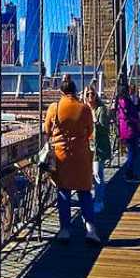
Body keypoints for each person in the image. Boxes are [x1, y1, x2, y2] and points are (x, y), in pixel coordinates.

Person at [44, 75, 101, 244]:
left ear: (61, 91)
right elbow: (90, 132)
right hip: (82, 157)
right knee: (85, 193)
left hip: (62, 157)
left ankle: (65, 230)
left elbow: (46, 129)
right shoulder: (84, 109)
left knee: (64, 193)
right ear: (75, 91)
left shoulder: (54, 107)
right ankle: (90, 230)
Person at [85, 87, 112, 214]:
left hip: (98, 147)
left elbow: (105, 129)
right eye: (87, 94)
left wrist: (94, 120)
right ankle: (93, 198)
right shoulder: (84, 109)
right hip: (86, 147)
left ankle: (99, 201)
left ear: (96, 95)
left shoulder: (101, 109)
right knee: (90, 175)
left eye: (92, 94)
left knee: (97, 174)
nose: (90, 96)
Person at [116, 84, 140, 183]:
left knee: (133, 151)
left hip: (128, 129)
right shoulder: (124, 102)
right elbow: (126, 116)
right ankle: (128, 173)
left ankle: (130, 171)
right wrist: (136, 122)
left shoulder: (123, 101)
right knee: (132, 151)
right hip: (129, 130)